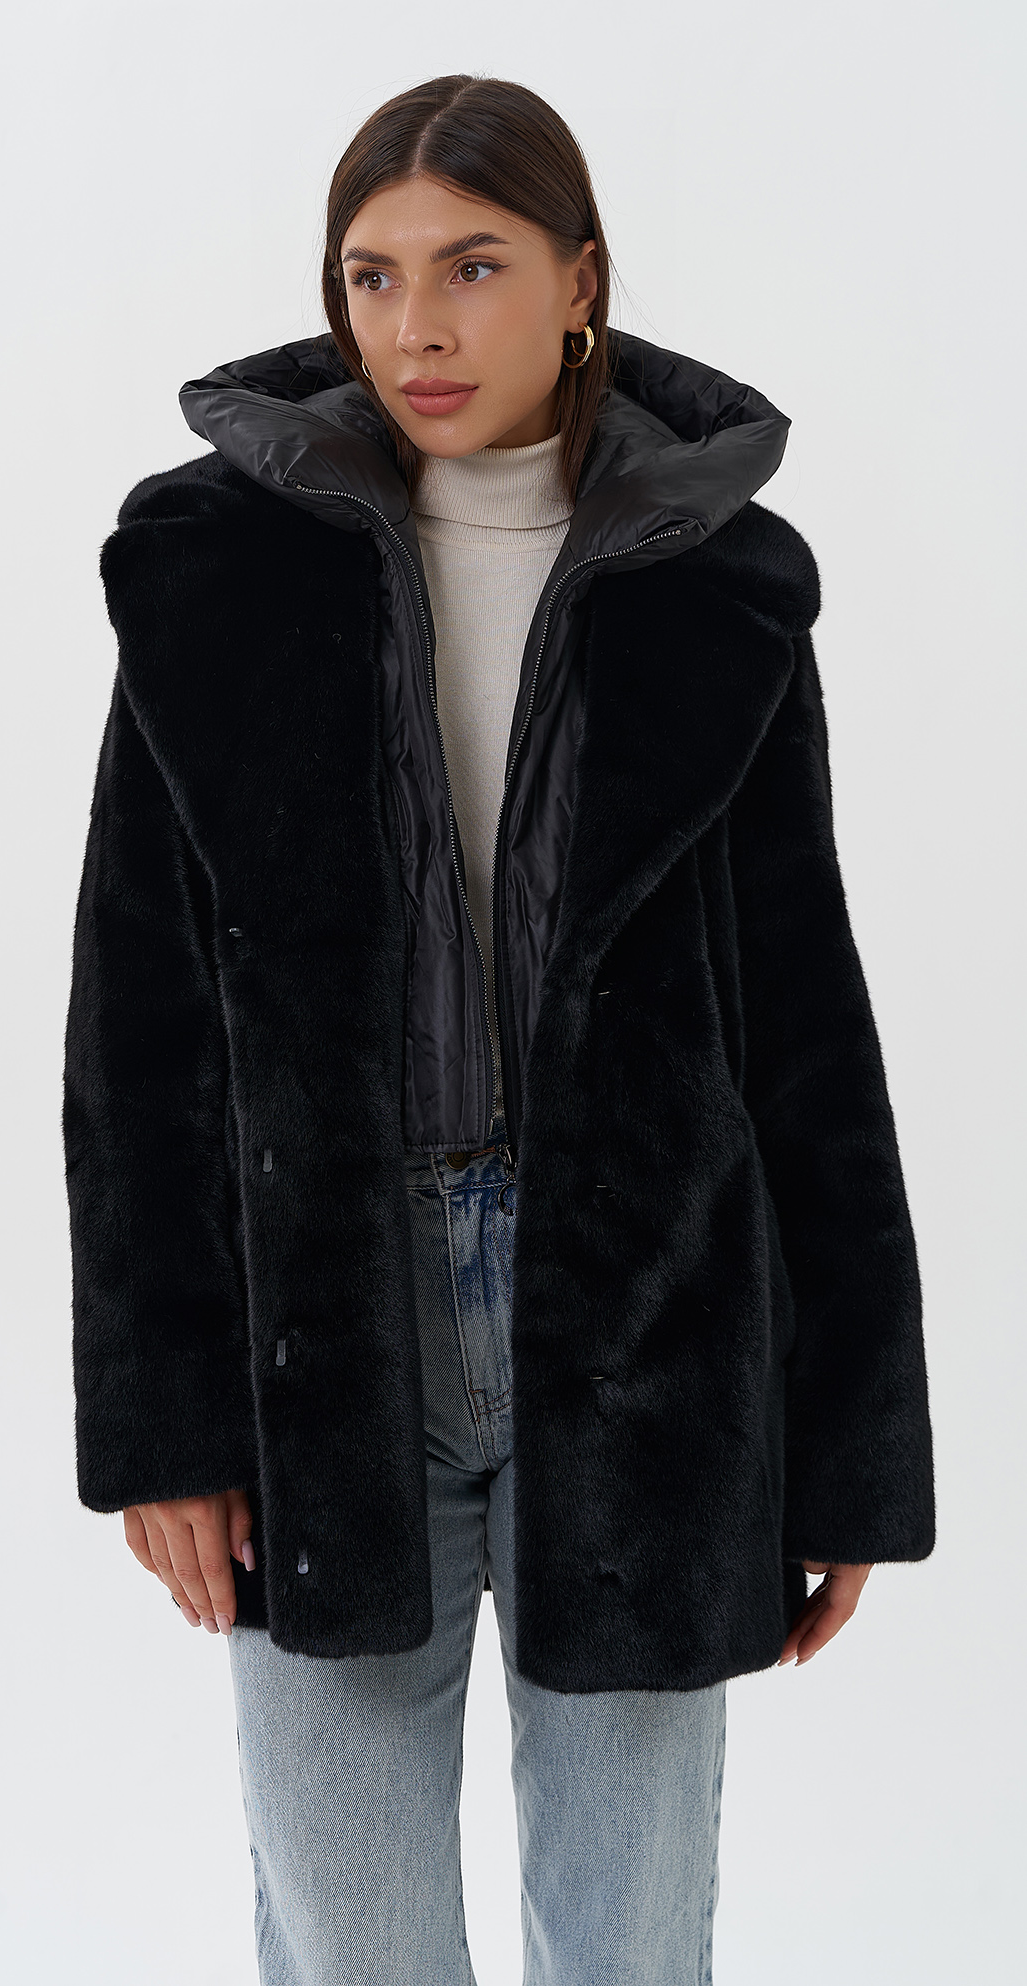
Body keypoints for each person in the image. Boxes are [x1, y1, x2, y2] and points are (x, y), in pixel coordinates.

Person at [63, 73, 935, 1986]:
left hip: (650, 1319)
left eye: (472, 266)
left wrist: (851, 1443)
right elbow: (136, 1021)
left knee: (632, 1941)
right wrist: (162, 1420)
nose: (417, 328)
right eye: (372, 276)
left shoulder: (718, 587)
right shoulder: (215, 576)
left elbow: (809, 1022)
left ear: (581, 282)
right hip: (322, 1318)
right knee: (352, 1941)